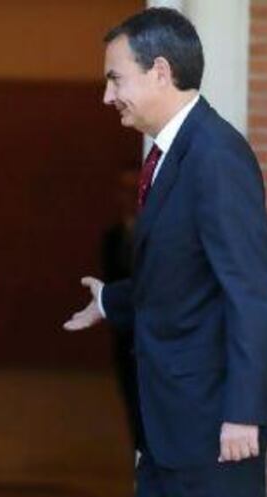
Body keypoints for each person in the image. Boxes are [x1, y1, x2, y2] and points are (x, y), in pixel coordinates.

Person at [64, 8, 267, 497]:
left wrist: (242, 412)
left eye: (115, 78)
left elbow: (251, 290)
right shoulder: (172, 154)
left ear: (161, 72)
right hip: (171, 428)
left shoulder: (215, 154)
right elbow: (185, 278)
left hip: (216, 429)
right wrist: (110, 301)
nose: (107, 95)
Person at [101, 170, 146, 457]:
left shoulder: (155, 233)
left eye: (134, 190)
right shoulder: (112, 237)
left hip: (154, 339)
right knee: (132, 410)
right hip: (124, 339)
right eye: (123, 190)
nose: (128, 198)